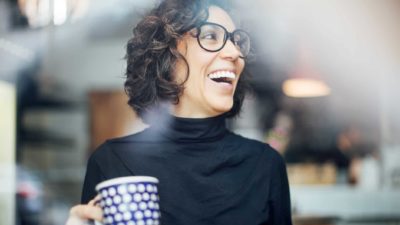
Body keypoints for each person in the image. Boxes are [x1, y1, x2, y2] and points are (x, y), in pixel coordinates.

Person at [67, 0, 292, 224]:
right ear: (168, 52)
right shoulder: (111, 163)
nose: (235, 53)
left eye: (237, 41)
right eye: (211, 36)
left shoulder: (265, 165)